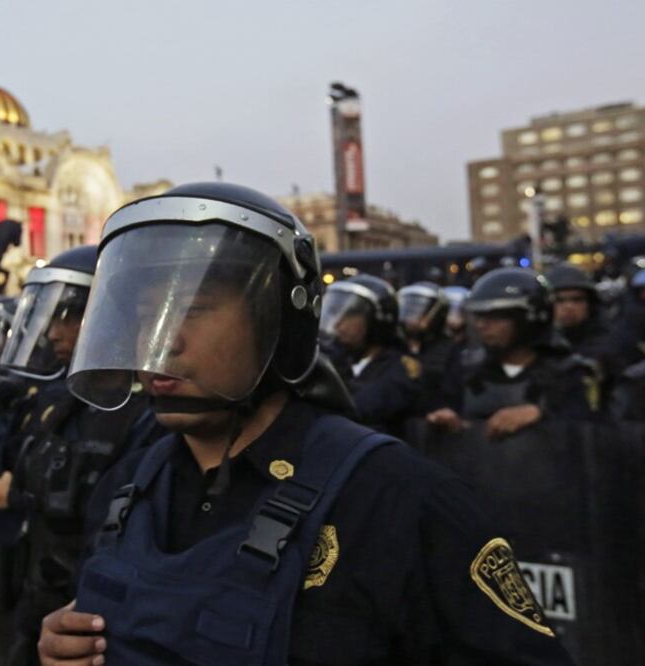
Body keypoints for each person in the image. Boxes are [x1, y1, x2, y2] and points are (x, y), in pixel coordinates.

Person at [37, 182, 572, 665]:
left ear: (279, 320)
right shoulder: (128, 486)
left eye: (193, 309)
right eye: (144, 317)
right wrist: (66, 644)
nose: (161, 339)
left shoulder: (397, 500)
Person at [0, 246, 162, 666]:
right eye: (51, 315)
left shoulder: (146, 413)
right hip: (36, 599)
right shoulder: (58, 400)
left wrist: (17, 498)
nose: (53, 333)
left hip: (92, 622)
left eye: (70, 315)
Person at [427, 267, 602, 438]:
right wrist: (447, 419)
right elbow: (441, 409)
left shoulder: (569, 372)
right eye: (479, 316)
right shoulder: (464, 368)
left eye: (496, 316)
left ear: (529, 318)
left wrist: (542, 413)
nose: (482, 325)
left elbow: (590, 434)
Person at [319, 274, 420, 435]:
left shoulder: (402, 367)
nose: (339, 322)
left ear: (377, 321)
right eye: (337, 312)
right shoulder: (338, 358)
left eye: (350, 314)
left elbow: (359, 409)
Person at [543, 263, 623, 381]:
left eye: (577, 299)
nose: (569, 307)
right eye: (559, 300)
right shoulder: (535, 342)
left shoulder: (609, 341)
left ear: (590, 304)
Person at [397, 281, 456, 415]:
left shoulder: (449, 351)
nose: (411, 319)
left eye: (417, 311)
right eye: (409, 310)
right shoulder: (395, 347)